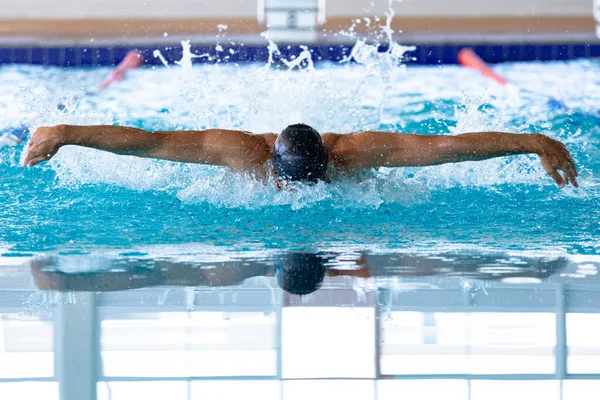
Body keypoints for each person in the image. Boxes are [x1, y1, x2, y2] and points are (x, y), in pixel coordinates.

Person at [23, 123, 579, 188]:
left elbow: (444, 150)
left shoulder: (355, 154)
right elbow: (152, 142)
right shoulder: (242, 154)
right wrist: (67, 132)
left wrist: (532, 141)